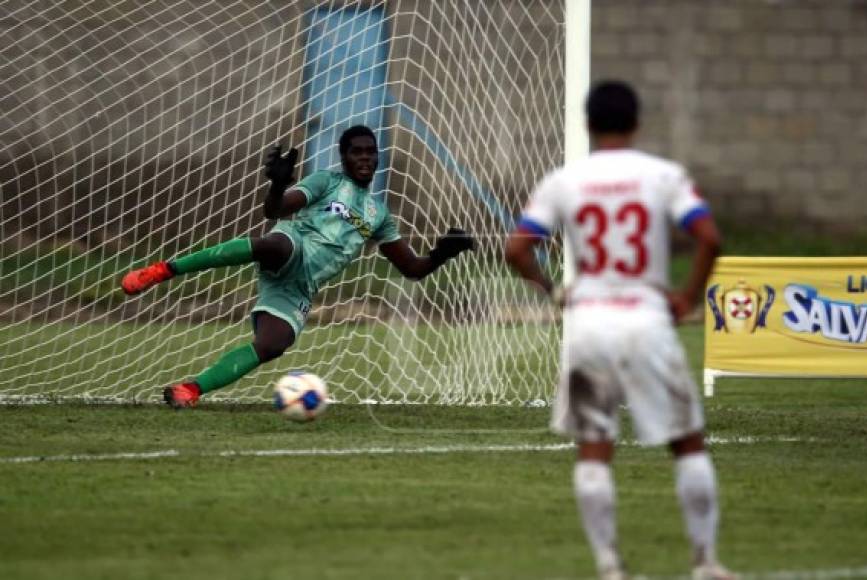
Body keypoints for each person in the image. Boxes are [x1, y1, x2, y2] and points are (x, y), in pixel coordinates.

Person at [503, 81, 732, 580]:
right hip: (647, 321)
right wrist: (687, 297)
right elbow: (709, 239)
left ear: (587, 124)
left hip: (589, 326)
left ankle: (609, 566)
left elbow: (516, 249)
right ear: (636, 123)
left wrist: (554, 291)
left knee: (594, 445)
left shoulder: (565, 180)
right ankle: (705, 561)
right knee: (687, 443)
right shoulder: (663, 175)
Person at [122, 125, 474, 408]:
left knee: (274, 344)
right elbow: (275, 211)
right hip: (296, 244)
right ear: (344, 157)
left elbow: (412, 268)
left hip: (300, 286)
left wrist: (442, 253)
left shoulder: (380, 215)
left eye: (371, 152)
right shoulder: (326, 182)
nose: (365, 157)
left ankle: (191, 389)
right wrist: (278, 183)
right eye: (357, 151)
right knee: (273, 245)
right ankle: (164, 270)